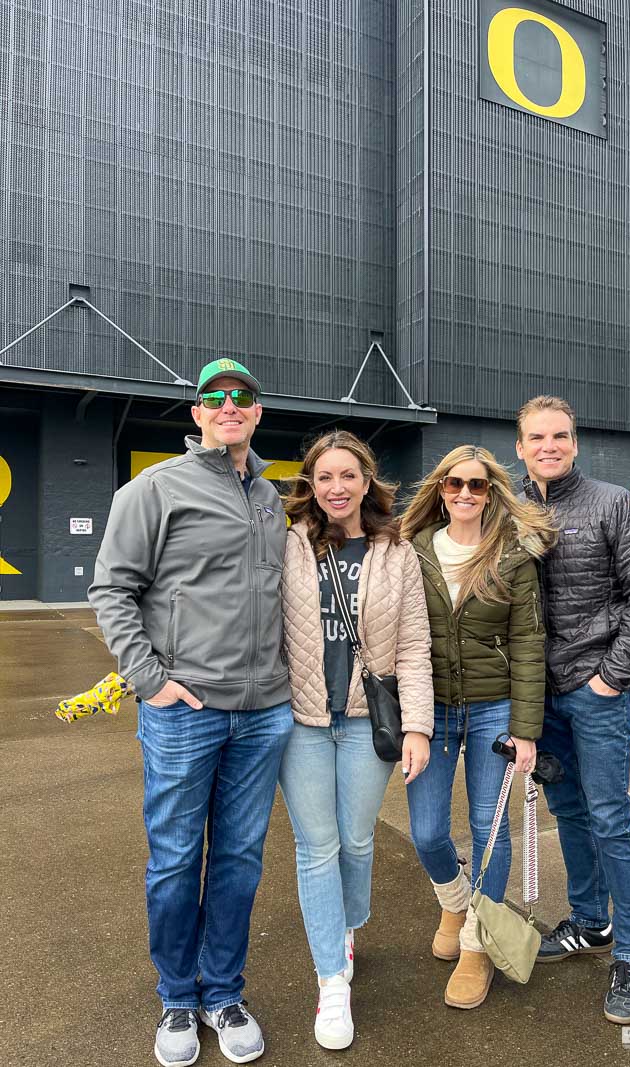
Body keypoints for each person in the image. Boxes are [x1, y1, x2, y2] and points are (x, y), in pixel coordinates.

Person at [89, 358, 293, 1067]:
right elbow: (111, 589)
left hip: (263, 711)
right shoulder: (153, 489)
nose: (229, 405)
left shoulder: (272, 499)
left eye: (242, 397)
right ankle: (178, 995)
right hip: (184, 710)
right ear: (197, 413)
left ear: (257, 413)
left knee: (238, 860)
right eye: (215, 397)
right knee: (176, 859)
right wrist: (150, 680)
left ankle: (224, 991)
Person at [516, 395, 630, 1025]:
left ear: (574, 444)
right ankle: (589, 920)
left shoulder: (612, 502)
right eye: (537, 438)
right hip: (541, 697)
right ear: (520, 448)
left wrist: (613, 676)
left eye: (560, 436)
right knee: (571, 810)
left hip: (595, 690)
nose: (549, 446)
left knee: (610, 817)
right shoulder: (513, 510)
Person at [279, 430, 433, 1050]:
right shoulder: (287, 543)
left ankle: (347, 926)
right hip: (302, 720)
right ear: (310, 486)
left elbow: (416, 645)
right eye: (324, 477)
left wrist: (418, 724)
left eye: (348, 475)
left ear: (367, 482)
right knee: (316, 847)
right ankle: (331, 981)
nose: (336, 487)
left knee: (357, 840)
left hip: (371, 718)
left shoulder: (397, 550)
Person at [399, 445, 556, 1010]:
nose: (464, 493)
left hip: (495, 706)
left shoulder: (513, 556)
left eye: (477, 485)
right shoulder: (409, 550)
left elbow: (528, 642)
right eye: (453, 484)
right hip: (429, 710)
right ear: (439, 490)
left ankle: (477, 943)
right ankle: (453, 898)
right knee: (426, 833)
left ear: (492, 492)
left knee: (490, 829)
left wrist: (526, 729)